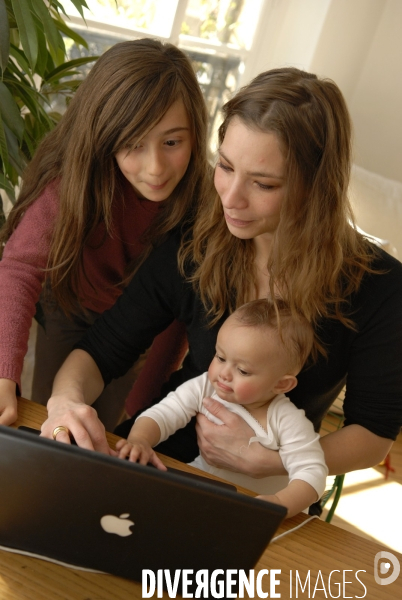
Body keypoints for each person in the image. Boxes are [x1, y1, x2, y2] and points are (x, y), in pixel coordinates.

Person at [41, 68, 402, 490]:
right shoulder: (197, 239)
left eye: (263, 184)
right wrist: (64, 401)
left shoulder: (380, 287)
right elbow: (103, 350)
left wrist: (272, 461)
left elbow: (374, 434)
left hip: (275, 484)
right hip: (159, 455)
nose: (230, 199)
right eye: (226, 167)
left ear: (316, 187)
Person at [0, 39, 211, 430]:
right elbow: (19, 267)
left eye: (172, 142)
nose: (156, 168)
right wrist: (3, 373)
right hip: (72, 302)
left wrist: (146, 403)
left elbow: (181, 315)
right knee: (54, 421)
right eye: (133, 144)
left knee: (115, 424)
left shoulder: (203, 202)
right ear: (104, 138)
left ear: (195, 134)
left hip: (142, 327)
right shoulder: (73, 181)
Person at [116, 299, 328, 517]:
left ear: (281, 384)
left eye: (243, 371)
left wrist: (279, 503)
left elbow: (313, 473)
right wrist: (140, 440)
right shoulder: (206, 385)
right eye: (220, 357)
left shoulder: (287, 420)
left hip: (256, 510)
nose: (224, 373)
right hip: (206, 489)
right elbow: (164, 413)